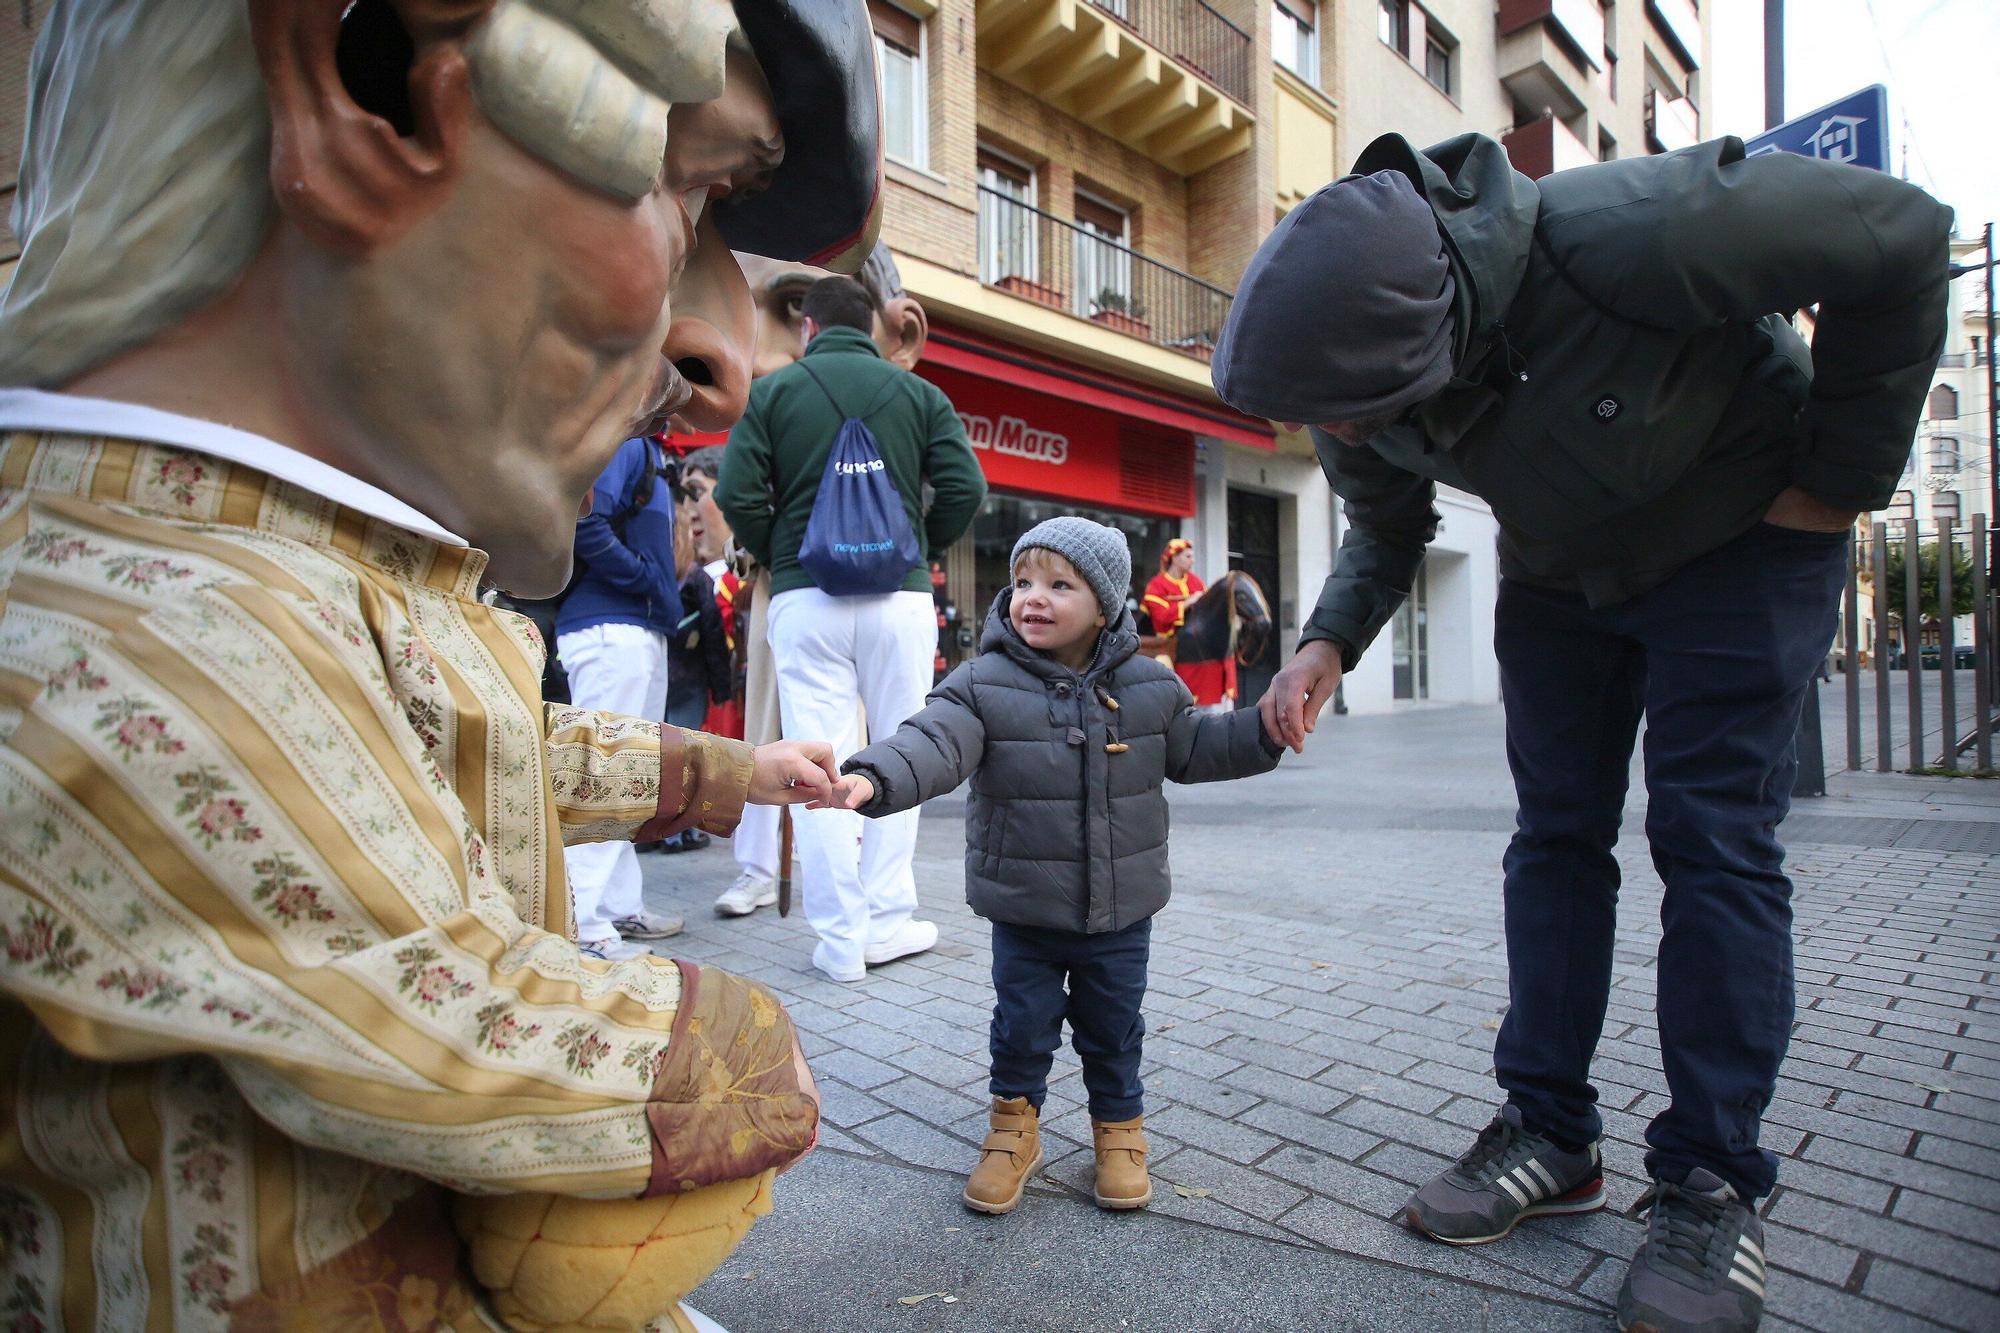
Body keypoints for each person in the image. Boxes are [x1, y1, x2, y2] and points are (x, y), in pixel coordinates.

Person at [0, 0, 883, 1325]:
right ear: (363, 95)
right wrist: (729, 1055)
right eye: (683, 181)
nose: (722, 355)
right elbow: (434, 1015)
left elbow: (489, 745)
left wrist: (726, 770)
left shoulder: (336, 571)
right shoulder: (133, 621)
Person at [1212, 132, 1950, 1333]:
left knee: (1711, 839)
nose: (1337, 437)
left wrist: (1837, 484)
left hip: (1741, 541)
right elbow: (1384, 521)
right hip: (1560, 576)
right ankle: (1550, 1132)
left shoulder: (1635, 229)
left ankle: (1711, 1176)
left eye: (1345, 416)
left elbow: (1906, 238)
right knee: (1552, 839)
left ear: (1423, 335)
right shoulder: (1358, 384)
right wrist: (1323, 641)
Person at [829, 517, 1283, 1215]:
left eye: (1058, 584)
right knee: (1022, 1025)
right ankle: (1014, 1130)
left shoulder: (1150, 687)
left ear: (1104, 603)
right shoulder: (981, 684)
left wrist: (1265, 728)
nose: (1031, 597)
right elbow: (933, 741)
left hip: (1122, 910)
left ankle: (1120, 1133)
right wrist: (873, 775)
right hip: (1025, 908)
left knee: (1114, 1027)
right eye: (1021, 581)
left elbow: (1198, 748)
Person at [718, 275, 986, 981]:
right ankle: (889, 921)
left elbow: (735, 490)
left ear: (808, 328)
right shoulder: (919, 394)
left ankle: (839, 941)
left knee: (819, 762)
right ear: (875, 327)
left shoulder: (775, 393)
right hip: (898, 599)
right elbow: (965, 487)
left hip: (806, 597)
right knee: (903, 748)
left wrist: (783, 549)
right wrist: (919, 550)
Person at [557, 434, 693, 948]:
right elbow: (583, 518)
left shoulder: (646, 448)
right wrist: (644, 578)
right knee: (609, 772)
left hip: (627, 626)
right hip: (614, 627)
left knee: (628, 770)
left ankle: (613, 907)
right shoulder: (631, 443)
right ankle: (580, 919)